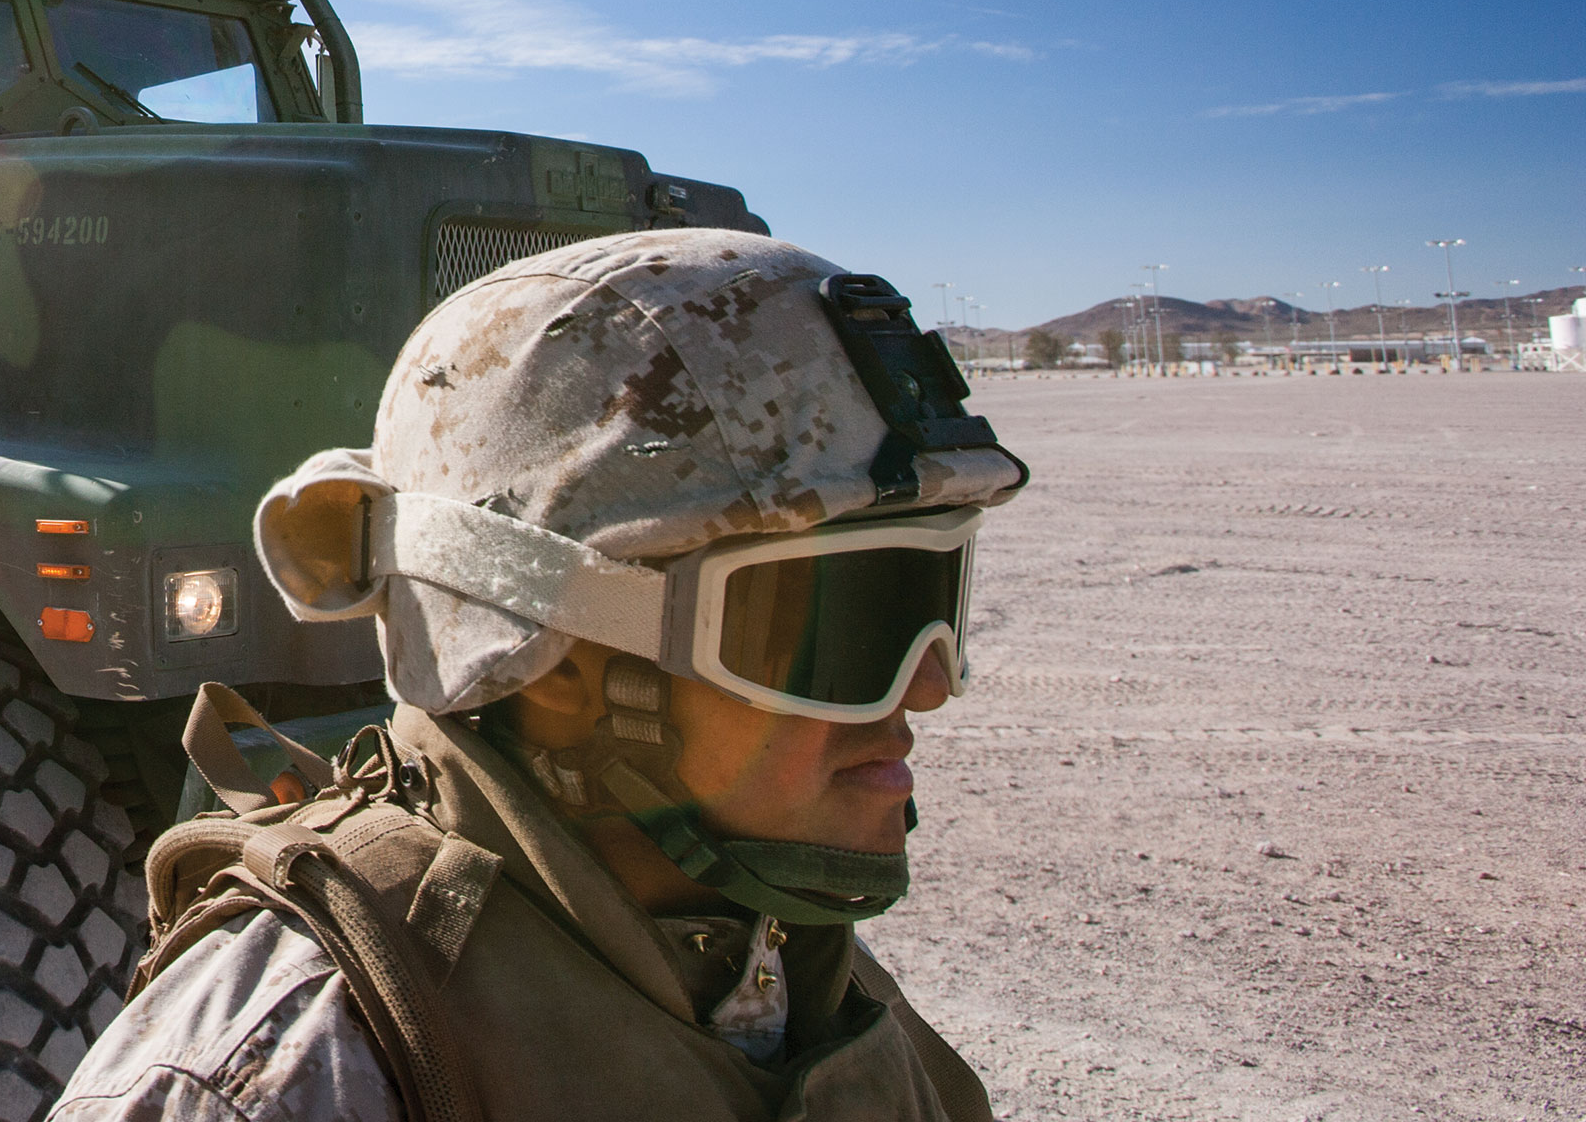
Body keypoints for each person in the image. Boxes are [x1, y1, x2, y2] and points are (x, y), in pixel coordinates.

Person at [53, 230, 1027, 1122]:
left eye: (928, 602)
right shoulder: (286, 1066)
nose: (924, 687)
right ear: (555, 661)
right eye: (833, 627)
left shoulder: (778, 966)